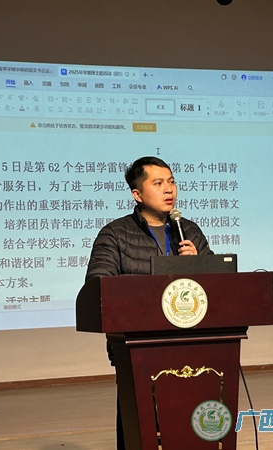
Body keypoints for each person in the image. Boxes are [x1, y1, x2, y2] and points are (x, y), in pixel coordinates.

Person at [84, 156, 213, 449]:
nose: (169, 189)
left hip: (193, 342)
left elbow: (219, 285)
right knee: (141, 429)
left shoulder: (189, 231)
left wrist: (200, 264)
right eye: (158, 183)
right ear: (137, 194)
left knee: (192, 423)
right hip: (137, 346)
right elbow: (98, 287)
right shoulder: (115, 234)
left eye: (171, 182)